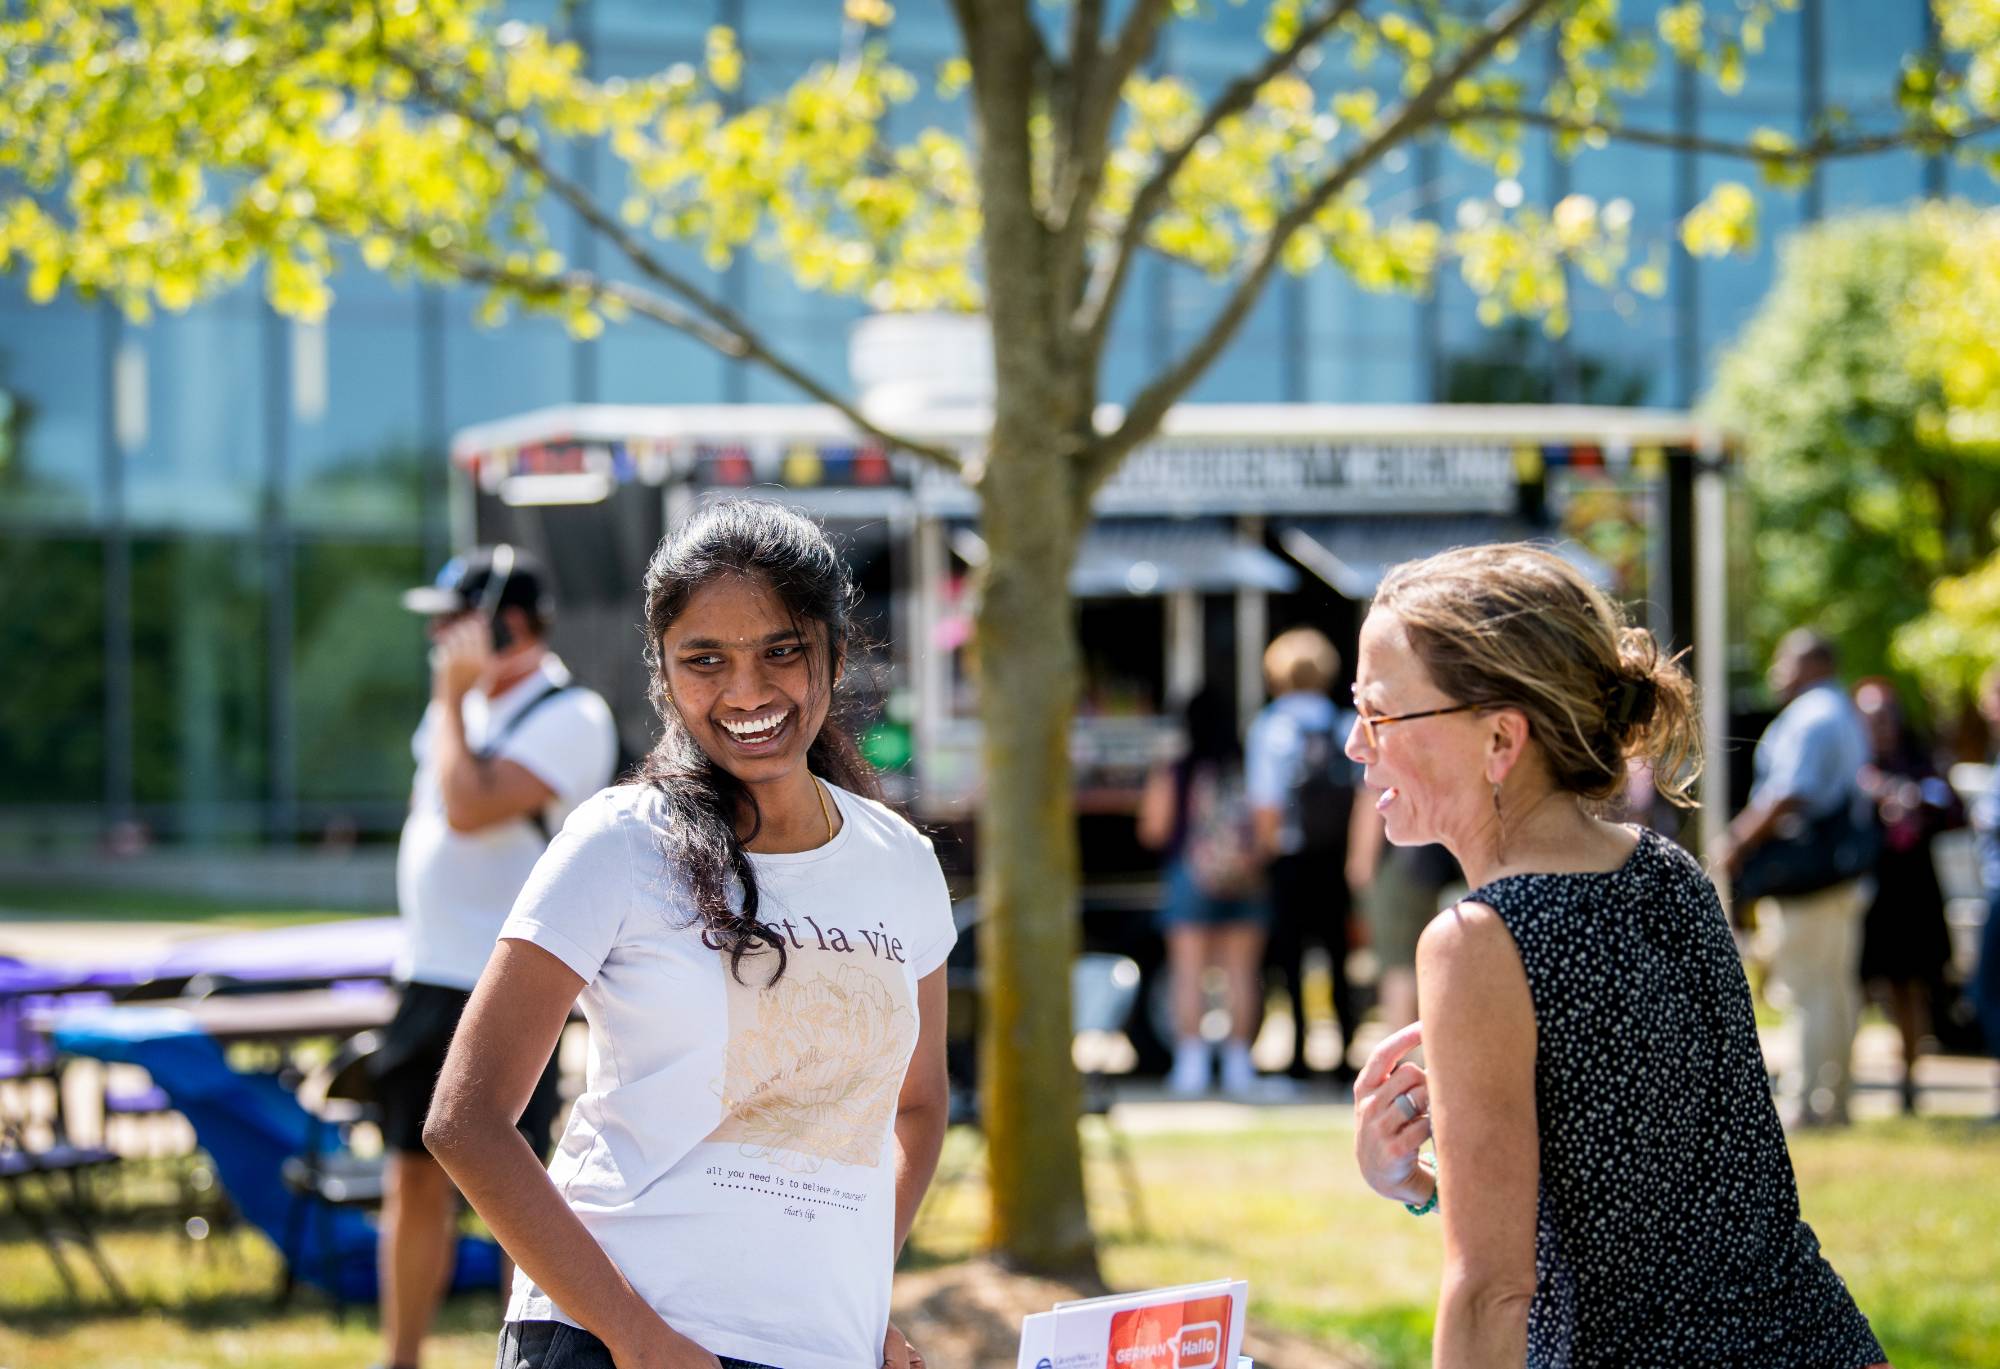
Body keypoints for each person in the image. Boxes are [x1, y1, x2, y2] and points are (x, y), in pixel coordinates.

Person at [423, 499, 952, 1369]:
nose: (746, 692)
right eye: (705, 660)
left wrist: (861, 1292)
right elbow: (466, 1120)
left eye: (781, 650)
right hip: (617, 1342)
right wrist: (637, 1338)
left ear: (835, 652)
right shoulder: (621, 841)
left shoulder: (900, 863)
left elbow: (920, 1105)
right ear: (665, 676)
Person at [1349, 544, 1885, 1368]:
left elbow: (1492, 1291)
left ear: (1500, 738)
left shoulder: (1477, 940)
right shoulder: (1669, 871)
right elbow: (1643, 1208)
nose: (1357, 744)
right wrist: (1419, 1186)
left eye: (1379, 713)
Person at [380, 544, 618, 1369]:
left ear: (505, 626)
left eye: (452, 622)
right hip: (428, 970)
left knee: (512, 1188)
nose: (440, 639)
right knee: (409, 1171)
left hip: (501, 981)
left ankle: (528, 1354)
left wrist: (450, 701)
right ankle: (401, 1356)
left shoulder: (570, 711)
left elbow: (471, 804)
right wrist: (453, 703)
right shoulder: (461, 704)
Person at [1721, 630, 1874, 1128]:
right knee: (1834, 989)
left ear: (1812, 664)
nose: (1776, 672)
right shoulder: (1842, 711)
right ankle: (1836, 1099)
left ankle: (1807, 1102)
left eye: (1785, 661)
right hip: (1840, 874)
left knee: (1807, 990)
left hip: (1809, 876)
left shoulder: (1811, 717)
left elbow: (1790, 792)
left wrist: (1737, 842)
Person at [1244, 628, 1363, 1084]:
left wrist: (1263, 854)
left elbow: (1266, 804)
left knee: (1290, 959)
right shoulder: (1342, 724)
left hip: (1290, 859)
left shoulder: (1271, 728)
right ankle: (1345, 1052)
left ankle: (1296, 1054)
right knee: (1337, 954)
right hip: (1335, 858)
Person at [1138, 687, 1269, 1096]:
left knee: (1189, 972)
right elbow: (1267, 827)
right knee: (1241, 973)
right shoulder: (1247, 765)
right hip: (1247, 878)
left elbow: (1153, 829)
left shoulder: (1176, 768)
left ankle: (1191, 1066)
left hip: (1189, 875)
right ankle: (1238, 1066)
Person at [1852, 677, 1962, 1115]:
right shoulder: (1853, 765)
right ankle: (1847, 1079)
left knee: (1909, 987)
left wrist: (1914, 802)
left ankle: (1910, 1083)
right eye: (1869, 718)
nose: (1878, 727)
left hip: (1911, 892)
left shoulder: (1918, 764)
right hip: (1864, 888)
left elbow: (1952, 809)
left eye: (1884, 717)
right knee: (1855, 986)